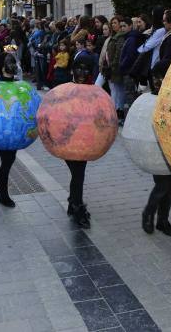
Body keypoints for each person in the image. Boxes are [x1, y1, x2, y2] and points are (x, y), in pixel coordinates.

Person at [141, 59, 171, 237]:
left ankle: (163, 220)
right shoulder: (151, 99)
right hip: (156, 147)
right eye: (156, 77)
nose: (158, 81)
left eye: (162, 77)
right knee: (163, 185)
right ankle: (149, 213)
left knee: (170, 186)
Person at [65, 54, 99, 229]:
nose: (82, 72)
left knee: (78, 175)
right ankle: (78, 208)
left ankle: (73, 202)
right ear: (72, 69)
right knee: (78, 175)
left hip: (84, 140)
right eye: (79, 68)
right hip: (67, 139)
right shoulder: (65, 90)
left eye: (86, 69)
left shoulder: (94, 92)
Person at [0, 54, 22, 207]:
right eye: (9, 63)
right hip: (0, 130)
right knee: (8, 159)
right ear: (2, 67)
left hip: (15, 129)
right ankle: (2, 190)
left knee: (10, 158)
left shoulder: (20, 85)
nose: (13, 65)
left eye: (14, 62)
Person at [105, 16, 130, 122]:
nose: (113, 25)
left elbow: (118, 53)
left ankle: (118, 112)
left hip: (116, 68)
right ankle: (116, 111)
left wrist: (112, 66)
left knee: (119, 91)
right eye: (112, 23)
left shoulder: (120, 37)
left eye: (115, 23)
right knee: (115, 90)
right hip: (112, 67)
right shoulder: (114, 36)